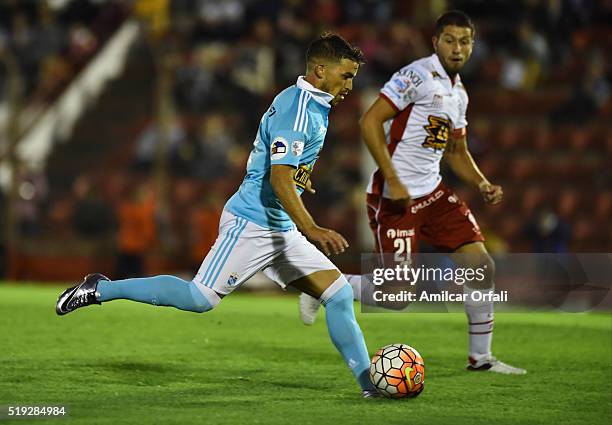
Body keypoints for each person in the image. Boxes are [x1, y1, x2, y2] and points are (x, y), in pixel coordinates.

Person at [56, 33, 381, 397]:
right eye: (346, 75)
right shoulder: (299, 110)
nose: (350, 85)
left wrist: (300, 182)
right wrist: (313, 226)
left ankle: (369, 384)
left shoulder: (308, 102)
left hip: (279, 226)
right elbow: (278, 179)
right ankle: (101, 288)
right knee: (199, 299)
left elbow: (284, 170)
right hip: (251, 223)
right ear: (321, 70)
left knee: (337, 296)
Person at [299, 12, 526, 375]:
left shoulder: (459, 93)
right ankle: (319, 285)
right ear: (435, 42)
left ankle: (480, 358)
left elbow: (456, 151)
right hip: (396, 198)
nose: (457, 48)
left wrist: (482, 182)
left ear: (473, 45)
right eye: (450, 40)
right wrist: (394, 179)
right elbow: (369, 121)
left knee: (482, 267)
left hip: (434, 195)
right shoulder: (415, 76)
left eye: (465, 41)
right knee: (396, 296)